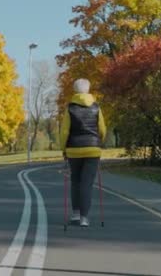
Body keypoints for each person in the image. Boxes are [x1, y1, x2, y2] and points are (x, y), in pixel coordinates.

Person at [60, 78, 107, 227]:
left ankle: (75, 215)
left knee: (75, 181)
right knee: (87, 184)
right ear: (88, 90)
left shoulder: (70, 108)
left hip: (73, 150)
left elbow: (64, 131)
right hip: (93, 150)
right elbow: (102, 129)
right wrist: (100, 142)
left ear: (75, 90)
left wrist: (63, 149)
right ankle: (84, 218)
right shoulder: (96, 107)